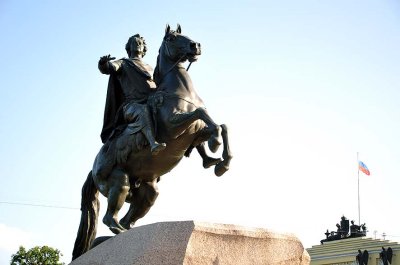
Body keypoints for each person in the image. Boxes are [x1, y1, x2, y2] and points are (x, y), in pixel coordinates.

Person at [98, 34, 166, 155]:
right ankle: (153, 143)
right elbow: (110, 67)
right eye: (135, 42)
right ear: (129, 47)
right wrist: (104, 64)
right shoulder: (123, 63)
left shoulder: (150, 68)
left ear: (144, 48)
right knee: (143, 111)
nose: (138, 44)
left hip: (152, 102)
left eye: (140, 42)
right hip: (132, 106)